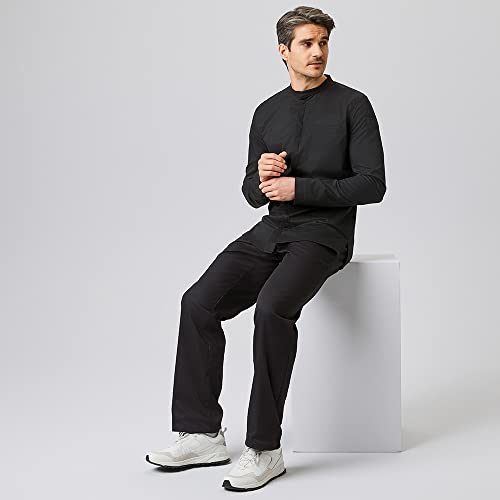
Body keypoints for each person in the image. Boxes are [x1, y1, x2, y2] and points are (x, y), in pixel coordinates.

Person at [145, 5, 386, 492]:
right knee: (198, 302)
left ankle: (265, 448)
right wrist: (263, 177)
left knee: (273, 309)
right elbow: (251, 193)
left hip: (325, 234)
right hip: (272, 231)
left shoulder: (353, 105)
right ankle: (202, 434)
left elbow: (372, 184)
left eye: (323, 43)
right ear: (284, 51)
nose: (317, 52)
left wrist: (300, 188)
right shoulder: (267, 111)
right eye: (307, 43)